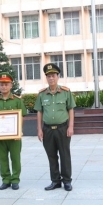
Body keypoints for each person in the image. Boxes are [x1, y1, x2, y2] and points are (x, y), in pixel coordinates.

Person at [34, 63, 76, 191]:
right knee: (51, 156)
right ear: (46, 78)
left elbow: (71, 109)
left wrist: (71, 127)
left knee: (65, 155)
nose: (51, 78)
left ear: (58, 76)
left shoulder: (65, 92)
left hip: (63, 128)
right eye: (48, 76)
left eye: (53, 75)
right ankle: (55, 181)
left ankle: (67, 181)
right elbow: (39, 112)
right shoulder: (42, 94)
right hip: (47, 130)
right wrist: (39, 129)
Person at [0, 72, 27, 190]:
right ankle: (5, 179)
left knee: (15, 158)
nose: (4, 86)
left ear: (11, 85)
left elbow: (21, 116)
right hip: (0, 137)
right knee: (3, 158)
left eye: (6, 84)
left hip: (14, 136)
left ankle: (15, 179)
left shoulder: (17, 100)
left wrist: (18, 131)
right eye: (1, 84)